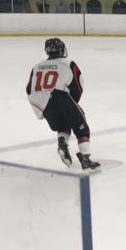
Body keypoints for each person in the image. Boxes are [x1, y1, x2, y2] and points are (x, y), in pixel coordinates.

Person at [26, 38, 99, 171]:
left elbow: (29, 89)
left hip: (42, 103)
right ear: (61, 49)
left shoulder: (36, 67)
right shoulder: (68, 64)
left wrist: (41, 105)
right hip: (60, 97)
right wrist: (71, 104)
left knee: (63, 124)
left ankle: (62, 144)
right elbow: (78, 87)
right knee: (81, 126)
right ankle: (85, 158)